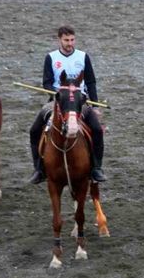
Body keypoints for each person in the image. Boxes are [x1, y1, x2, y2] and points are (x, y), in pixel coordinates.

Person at [28, 26, 106, 184]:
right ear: (59, 40)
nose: (70, 43)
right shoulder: (51, 57)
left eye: (72, 40)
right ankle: (39, 168)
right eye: (66, 40)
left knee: (97, 130)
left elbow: (90, 82)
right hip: (57, 102)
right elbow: (47, 82)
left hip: (79, 102)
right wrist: (56, 94)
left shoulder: (83, 56)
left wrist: (96, 106)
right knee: (34, 130)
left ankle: (96, 168)